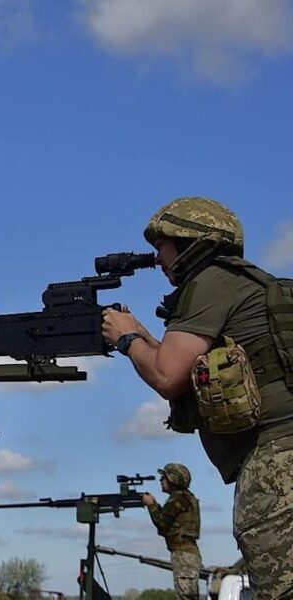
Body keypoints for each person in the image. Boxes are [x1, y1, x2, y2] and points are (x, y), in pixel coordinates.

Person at [101, 197, 293, 599]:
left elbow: (168, 376)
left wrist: (126, 338)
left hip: (276, 465)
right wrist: (144, 337)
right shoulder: (247, 282)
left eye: (163, 246)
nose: (158, 259)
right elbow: (182, 365)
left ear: (190, 243)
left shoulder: (208, 281)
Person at [143, 463, 201, 600]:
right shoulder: (185, 497)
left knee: (185, 596)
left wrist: (151, 505)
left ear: (173, 479)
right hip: (185, 554)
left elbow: (162, 523)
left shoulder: (178, 498)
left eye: (163, 478)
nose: (161, 481)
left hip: (184, 555)